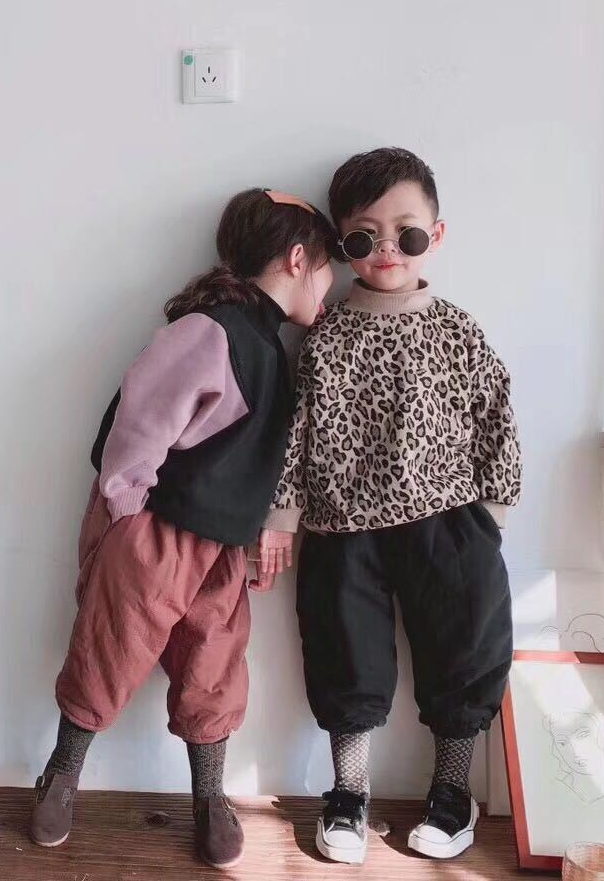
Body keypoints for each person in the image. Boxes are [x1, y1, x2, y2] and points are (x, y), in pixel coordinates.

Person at [29, 188, 336, 869]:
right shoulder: (213, 331)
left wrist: (259, 530)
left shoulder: (268, 346)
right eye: (325, 268)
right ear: (296, 259)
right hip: (157, 532)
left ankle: (209, 797)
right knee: (110, 649)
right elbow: (141, 420)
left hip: (220, 547)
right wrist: (125, 514)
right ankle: (62, 772)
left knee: (214, 666)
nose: (330, 285)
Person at [262, 147, 521, 864]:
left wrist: (495, 508)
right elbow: (295, 431)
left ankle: (452, 789)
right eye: (362, 238)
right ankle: (349, 792)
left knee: (466, 644)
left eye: (406, 234)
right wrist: (282, 517)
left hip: (449, 515)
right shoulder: (325, 336)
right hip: (344, 523)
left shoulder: (457, 329)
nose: (386, 251)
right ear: (340, 245)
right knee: (343, 647)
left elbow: (496, 413)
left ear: (435, 236)